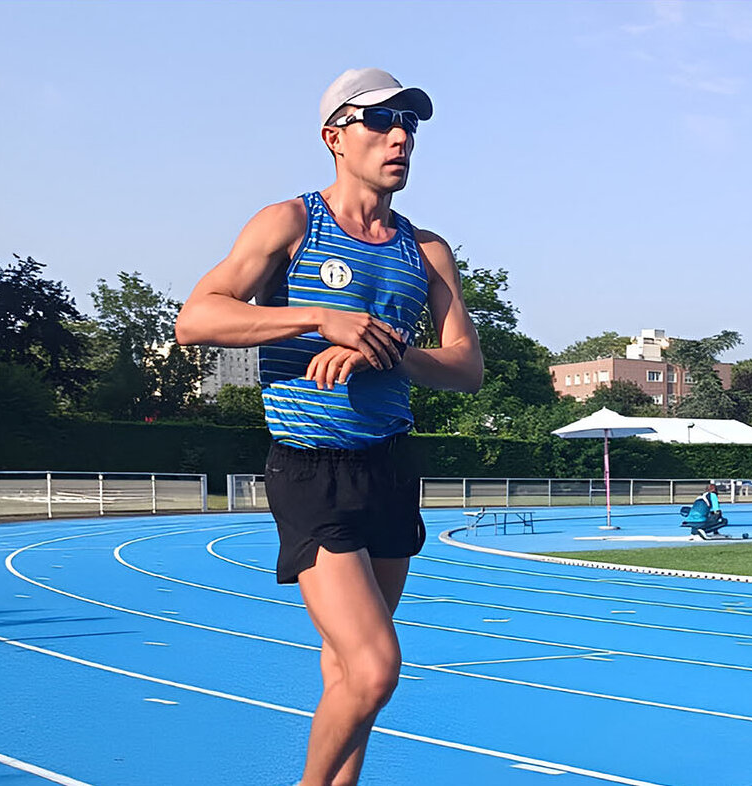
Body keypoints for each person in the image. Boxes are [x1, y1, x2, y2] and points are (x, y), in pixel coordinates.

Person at [174, 67, 483, 786]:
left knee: (347, 671)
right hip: (312, 469)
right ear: (333, 137)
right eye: (379, 122)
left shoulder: (426, 250)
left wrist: (388, 348)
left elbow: (465, 367)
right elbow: (198, 319)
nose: (400, 135)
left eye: (408, 123)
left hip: (388, 466)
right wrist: (321, 317)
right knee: (376, 669)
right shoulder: (290, 222)